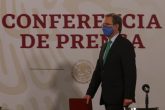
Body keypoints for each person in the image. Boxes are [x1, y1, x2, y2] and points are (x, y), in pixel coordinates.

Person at [84, 13, 137, 110]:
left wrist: (129, 96)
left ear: (116, 26)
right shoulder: (105, 46)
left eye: (107, 25)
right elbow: (98, 72)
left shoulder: (125, 45)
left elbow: (130, 72)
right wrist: (90, 93)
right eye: (103, 25)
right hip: (107, 98)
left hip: (120, 99)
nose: (104, 27)